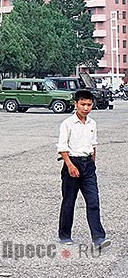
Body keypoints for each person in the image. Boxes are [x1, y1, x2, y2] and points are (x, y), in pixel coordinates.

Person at [57, 90, 111, 250]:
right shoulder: (67, 124)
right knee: (69, 201)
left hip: (88, 166)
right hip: (72, 163)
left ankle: (99, 238)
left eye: (89, 104)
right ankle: (64, 234)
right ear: (76, 104)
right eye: (83, 104)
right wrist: (70, 165)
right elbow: (62, 147)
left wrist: (92, 164)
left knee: (93, 201)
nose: (86, 108)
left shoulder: (92, 123)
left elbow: (93, 145)